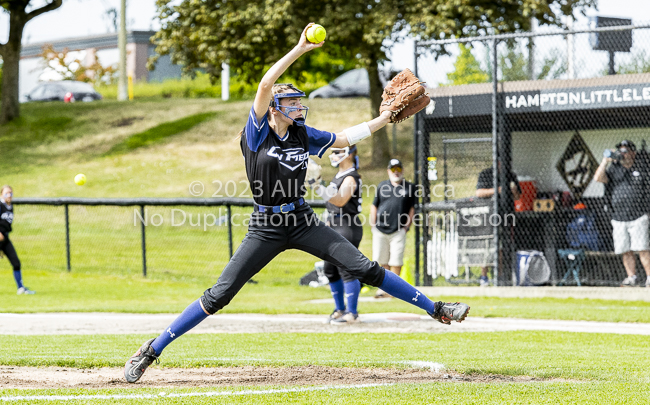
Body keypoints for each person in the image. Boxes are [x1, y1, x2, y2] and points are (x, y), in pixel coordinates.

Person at [124, 24, 470, 384]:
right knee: (219, 295)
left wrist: (383, 119)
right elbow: (263, 85)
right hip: (266, 227)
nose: (298, 107)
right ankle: (151, 349)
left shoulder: (303, 134)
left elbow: (343, 138)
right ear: (273, 108)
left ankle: (436, 309)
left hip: (302, 221)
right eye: (291, 103)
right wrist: (300, 49)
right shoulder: (258, 132)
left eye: (299, 102)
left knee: (365, 267)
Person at [594, 139, 650, 287]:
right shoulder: (613, 169)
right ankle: (632, 277)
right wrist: (605, 161)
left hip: (638, 215)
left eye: (625, 151)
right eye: (620, 151)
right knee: (625, 249)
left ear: (633, 153)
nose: (622, 154)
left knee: (643, 248)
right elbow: (598, 178)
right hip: (618, 217)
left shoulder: (642, 168)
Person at [319, 145, 363, 324]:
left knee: (346, 268)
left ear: (349, 154)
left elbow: (341, 200)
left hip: (347, 224)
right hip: (334, 224)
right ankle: (339, 309)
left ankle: (351, 312)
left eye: (338, 151)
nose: (334, 155)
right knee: (329, 268)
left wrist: (317, 185)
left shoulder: (351, 177)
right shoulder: (339, 175)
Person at [370, 159, 416, 298]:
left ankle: (394, 290)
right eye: (393, 169)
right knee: (381, 260)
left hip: (398, 230)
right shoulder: (382, 185)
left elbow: (412, 209)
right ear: (388, 171)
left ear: (402, 170)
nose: (396, 172)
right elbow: (374, 205)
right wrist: (373, 224)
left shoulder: (409, 187)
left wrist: (406, 227)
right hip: (380, 229)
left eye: (398, 169)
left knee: (396, 260)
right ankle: (384, 288)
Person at [475, 163, 521, 286]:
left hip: (506, 217)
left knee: (502, 248)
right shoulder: (486, 174)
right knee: (486, 247)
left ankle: (500, 277)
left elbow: (518, 197)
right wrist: (498, 189)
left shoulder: (511, 175)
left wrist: (513, 191)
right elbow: (479, 193)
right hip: (488, 217)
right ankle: (484, 277)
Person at [0, 185, 35, 295]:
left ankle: (20, 288)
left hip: (5, 239)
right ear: (1, 194)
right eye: (6, 193)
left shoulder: (10, 206)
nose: (9, 195)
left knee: (16, 262)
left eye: (10, 193)